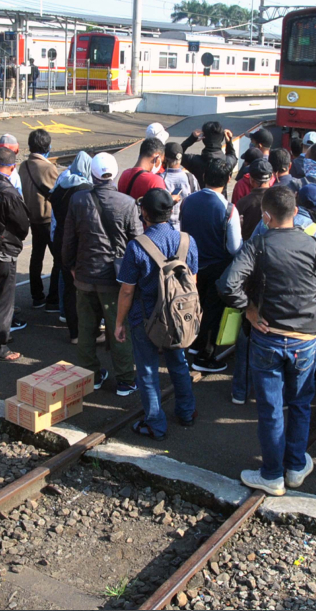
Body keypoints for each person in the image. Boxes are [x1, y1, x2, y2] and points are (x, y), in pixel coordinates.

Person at [219, 186, 316, 496]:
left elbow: (228, 285)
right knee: (300, 404)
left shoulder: (258, 244)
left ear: (266, 216)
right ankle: (296, 466)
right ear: (295, 212)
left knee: (270, 408)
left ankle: (271, 474)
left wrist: (250, 310)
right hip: (305, 340)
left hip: (267, 338)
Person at [115, 188, 198, 439]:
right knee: (179, 363)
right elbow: (193, 281)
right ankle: (186, 412)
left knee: (148, 370)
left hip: (146, 318)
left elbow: (127, 291)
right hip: (179, 315)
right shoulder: (187, 240)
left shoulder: (137, 246)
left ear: (144, 213)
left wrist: (119, 323)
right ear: (170, 211)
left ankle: (155, 423)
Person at [61, 152, 140, 395]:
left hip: (84, 275)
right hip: (114, 279)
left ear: (92, 175)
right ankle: (125, 379)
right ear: (114, 174)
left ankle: (91, 376)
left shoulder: (78, 200)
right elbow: (136, 242)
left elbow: (69, 239)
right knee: (119, 328)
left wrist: (71, 267)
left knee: (86, 329)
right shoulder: (127, 203)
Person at [180, 159, 241, 373]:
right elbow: (234, 247)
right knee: (213, 311)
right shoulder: (228, 209)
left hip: (192, 264)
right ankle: (204, 356)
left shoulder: (187, 201)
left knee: (196, 305)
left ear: (204, 177)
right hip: (217, 266)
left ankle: (192, 344)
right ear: (228, 180)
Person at [0, 147, 30, 362]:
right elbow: (21, 225)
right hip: (4, 251)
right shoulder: (9, 192)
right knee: (3, 301)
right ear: (12, 166)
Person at [49, 152, 93, 344]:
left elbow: (54, 219)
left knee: (67, 285)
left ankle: (73, 331)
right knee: (84, 288)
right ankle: (86, 329)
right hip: (78, 243)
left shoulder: (59, 188)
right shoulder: (86, 189)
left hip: (60, 239)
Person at [18, 128, 60, 311]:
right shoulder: (49, 168)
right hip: (48, 220)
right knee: (59, 259)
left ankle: (37, 296)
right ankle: (53, 299)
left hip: (32, 219)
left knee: (37, 256)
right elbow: (58, 193)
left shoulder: (23, 166)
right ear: (48, 146)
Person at [179, 121, 238, 189]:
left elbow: (175, 154)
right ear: (222, 138)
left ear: (203, 139)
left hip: (199, 197)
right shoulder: (228, 162)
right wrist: (229, 142)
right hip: (221, 198)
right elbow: (232, 155)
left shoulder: (194, 161)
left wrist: (191, 139)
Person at [161, 141, 198, 225]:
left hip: (166, 227)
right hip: (186, 228)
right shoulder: (191, 178)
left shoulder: (158, 178)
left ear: (165, 159)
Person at [237, 158, 274, 240]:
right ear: (271, 178)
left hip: (248, 248)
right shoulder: (277, 200)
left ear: (251, 180)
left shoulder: (242, 203)